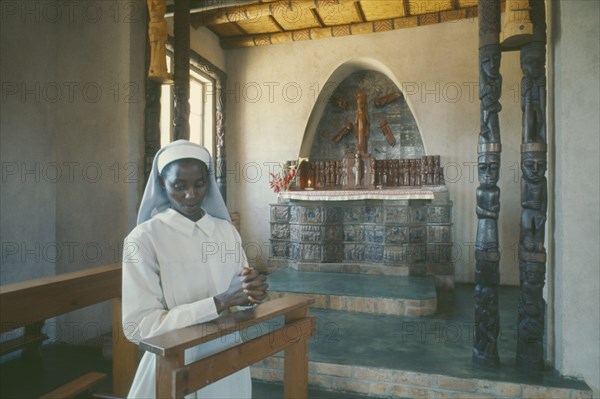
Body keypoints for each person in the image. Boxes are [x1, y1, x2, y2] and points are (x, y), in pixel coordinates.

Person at [122, 140, 268, 398]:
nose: (191, 194)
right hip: (174, 365)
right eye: (179, 186)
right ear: (162, 185)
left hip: (228, 360)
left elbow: (241, 298)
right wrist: (219, 302)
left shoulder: (226, 232)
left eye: (199, 184)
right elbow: (138, 327)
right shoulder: (144, 239)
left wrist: (251, 294)